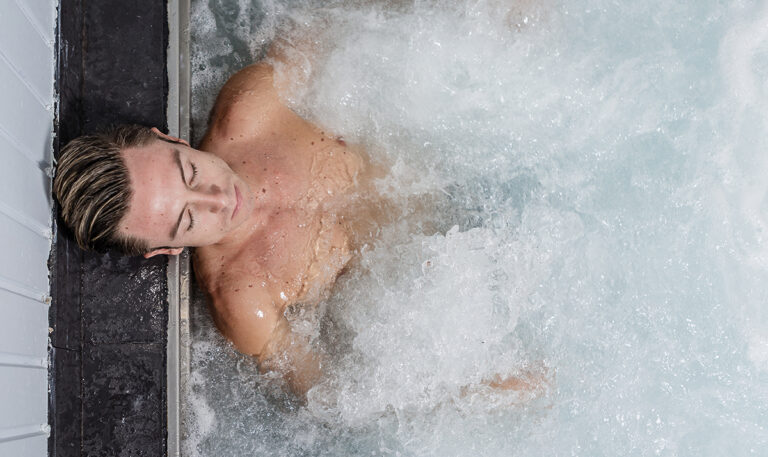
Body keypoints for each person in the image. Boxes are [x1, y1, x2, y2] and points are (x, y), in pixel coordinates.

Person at [54, 60, 546, 399]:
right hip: (459, 280)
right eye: (188, 219)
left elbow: (339, 28)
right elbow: (341, 393)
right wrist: (484, 388)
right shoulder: (244, 301)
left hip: (472, 159)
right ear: (164, 250)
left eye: (189, 172)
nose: (218, 199)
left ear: (172, 139)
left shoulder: (252, 107)